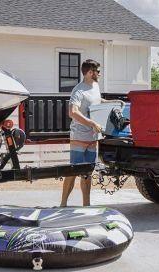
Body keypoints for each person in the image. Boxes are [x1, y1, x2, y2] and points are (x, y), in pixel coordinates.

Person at [60, 59, 104, 207]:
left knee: (87, 173)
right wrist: (92, 123)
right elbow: (72, 112)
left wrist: (111, 102)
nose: (100, 73)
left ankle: (87, 205)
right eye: (97, 71)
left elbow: (95, 101)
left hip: (92, 137)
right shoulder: (78, 90)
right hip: (79, 136)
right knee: (73, 171)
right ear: (90, 72)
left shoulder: (95, 86)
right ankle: (63, 204)